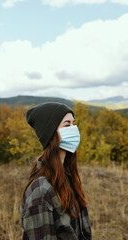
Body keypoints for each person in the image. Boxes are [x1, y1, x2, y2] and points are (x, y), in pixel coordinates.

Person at [20, 102, 92, 240]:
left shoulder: (67, 176)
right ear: (51, 134)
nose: (74, 129)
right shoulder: (41, 191)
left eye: (74, 123)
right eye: (67, 125)